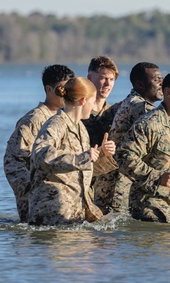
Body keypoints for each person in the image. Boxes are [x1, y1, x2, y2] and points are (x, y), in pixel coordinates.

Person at [94, 62, 170, 214]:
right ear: (140, 84)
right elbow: (167, 123)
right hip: (119, 188)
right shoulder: (142, 109)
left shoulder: (126, 102)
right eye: (157, 81)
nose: (161, 85)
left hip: (118, 184)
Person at [116, 71, 170, 223]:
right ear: (168, 93)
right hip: (148, 211)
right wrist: (156, 177)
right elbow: (123, 156)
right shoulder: (149, 124)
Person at [28, 77, 116, 226]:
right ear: (82, 101)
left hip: (74, 211)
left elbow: (79, 170)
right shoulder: (56, 124)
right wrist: (81, 158)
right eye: (92, 101)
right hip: (52, 213)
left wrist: (102, 155)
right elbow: (40, 155)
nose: (94, 106)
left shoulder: (81, 128)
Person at [3, 64, 74, 221]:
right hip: (37, 206)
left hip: (63, 203)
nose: (65, 94)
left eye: (69, 89)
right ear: (49, 89)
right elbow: (13, 162)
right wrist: (35, 191)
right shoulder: (34, 120)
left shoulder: (68, 119)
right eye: (61, 89)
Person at [82, 55, 120, 146]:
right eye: (103, 78)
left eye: (112, 79)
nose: (108, 84)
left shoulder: (115, 113)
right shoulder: (77, 110)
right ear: (90, 78)